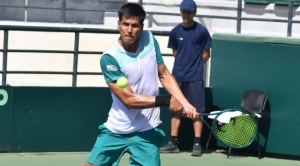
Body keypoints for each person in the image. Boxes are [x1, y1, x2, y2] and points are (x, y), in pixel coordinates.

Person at [84, 3, 199, 166]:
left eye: (134, 25)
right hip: (117, 130)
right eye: (125, 24)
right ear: (118, 24)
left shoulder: (149, 39)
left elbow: (164, 74)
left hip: (147, 130)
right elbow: (129, 100)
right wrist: (167, 100)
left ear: (141, 27)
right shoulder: (110, 58)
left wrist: (185, 103)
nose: (129, 30)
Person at [159, 0, 212, 157]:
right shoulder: (175, 32)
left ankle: (197, 144)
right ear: (181, 12)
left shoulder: (202, 32)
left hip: (195, 78)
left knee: (197, 110)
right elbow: (175, 52)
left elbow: (206, 53)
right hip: (177, 77)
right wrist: (184, 64)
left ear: (194, 13)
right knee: (176, 109)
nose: (186, 14)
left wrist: (195, 65)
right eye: (184, 11)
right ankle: (173, 143)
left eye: (189, 12)